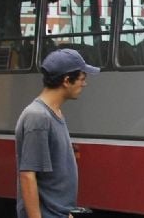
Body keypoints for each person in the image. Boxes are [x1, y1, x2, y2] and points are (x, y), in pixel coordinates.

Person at [16, 48, 101, 218]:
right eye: (82, 79)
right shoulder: (38, 118)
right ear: (67, 80)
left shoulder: (53, 113)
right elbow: (27, 176)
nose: (84, 84)